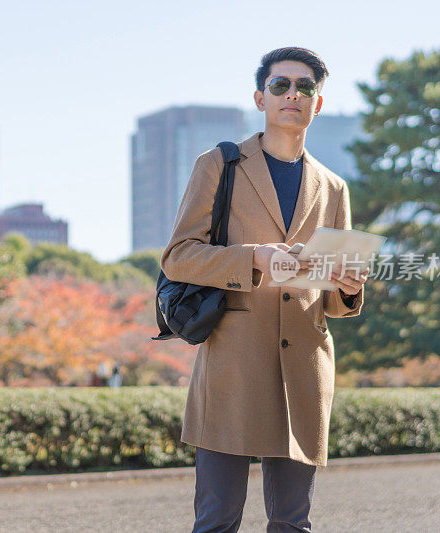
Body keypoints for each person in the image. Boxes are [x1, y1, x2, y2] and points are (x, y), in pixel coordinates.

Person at [160, 47, 369, 532]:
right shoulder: (220, 165)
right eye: (281, 85)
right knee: (216, 521)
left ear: (317, 104)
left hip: (305, 369)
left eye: (305, 87)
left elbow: (336, 302)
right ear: (261, 97)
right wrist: (252, 257)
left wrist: (350, 287)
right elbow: (178, 256)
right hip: (234, 362)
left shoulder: (334, 187)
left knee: (294, 524)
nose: (292, 94)